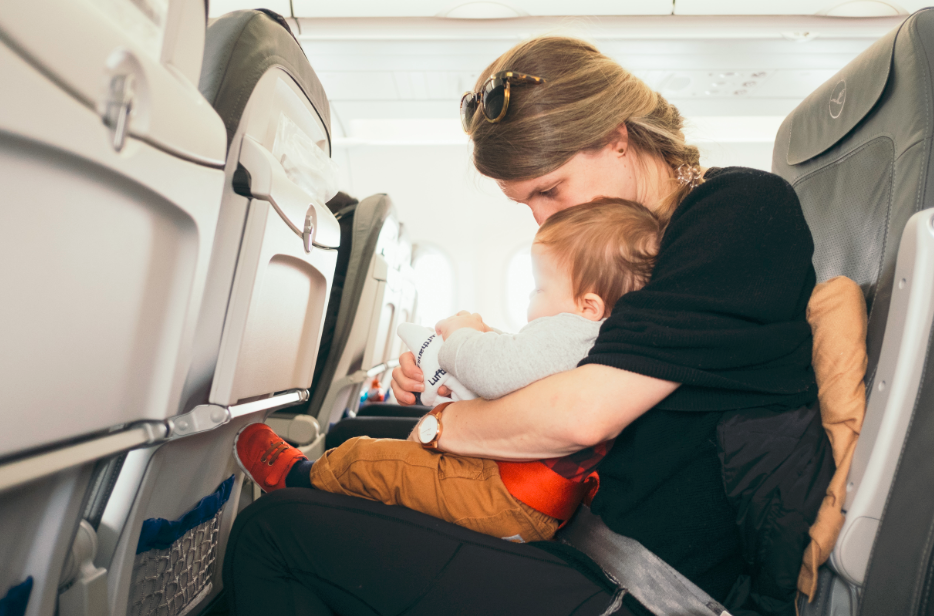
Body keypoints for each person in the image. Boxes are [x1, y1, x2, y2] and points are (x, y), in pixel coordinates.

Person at [224, 36, 832, 616]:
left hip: (641, 588)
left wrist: (444, 425)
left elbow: (581, 414)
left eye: (550, 189)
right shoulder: (637, 245)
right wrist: (456, 364)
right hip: (574, 537)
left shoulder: (738, 213)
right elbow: (576, 360)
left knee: (271, 534)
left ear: (616, 137)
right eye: (526, 204)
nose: (541, 222)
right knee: (361, 435)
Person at [233, 198, 660, 544]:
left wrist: (461, 335)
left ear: (588, 305)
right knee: (399, 466)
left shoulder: (573, 330)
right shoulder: (598, 338)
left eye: (539, 288)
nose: (532, 300)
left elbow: (497, 372)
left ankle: (297, 479)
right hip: (526, 498)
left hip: (506, 494)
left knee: (368, 457)